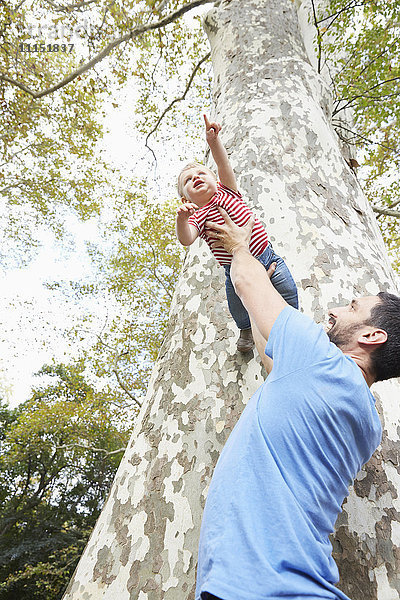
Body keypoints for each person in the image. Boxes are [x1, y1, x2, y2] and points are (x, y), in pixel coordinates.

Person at [195, 207, 400, 600]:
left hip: (267, 588)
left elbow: (243, 278)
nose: (337, 309)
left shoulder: (318, 359)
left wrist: (241, 245)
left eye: (352, 307)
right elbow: (273, 358)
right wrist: (263, 309)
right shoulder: (365, 420)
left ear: (373, 335)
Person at [175, 114, 298, 353]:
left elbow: (223, 165)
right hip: (235, 268)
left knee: (288, 289)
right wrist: (182, 219)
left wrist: (213, 142)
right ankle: (245, 330)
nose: (196, 178)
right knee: (236, 304)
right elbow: (186, 239)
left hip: (266, 255)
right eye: (189, 181)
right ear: (185, 198)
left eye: (201, 174)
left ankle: (294, 322)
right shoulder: (197, 216)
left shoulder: (227, 191)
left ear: (215, 181)